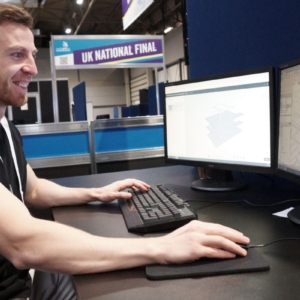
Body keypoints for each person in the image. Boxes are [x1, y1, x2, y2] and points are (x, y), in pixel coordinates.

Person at [0, 3, 250, 299]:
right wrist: (162, 247)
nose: (32, 67)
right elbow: (24, 244)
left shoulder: (5, 126)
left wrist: (97, 193)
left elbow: (34, 190)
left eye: (32, 54)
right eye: (17, 54)